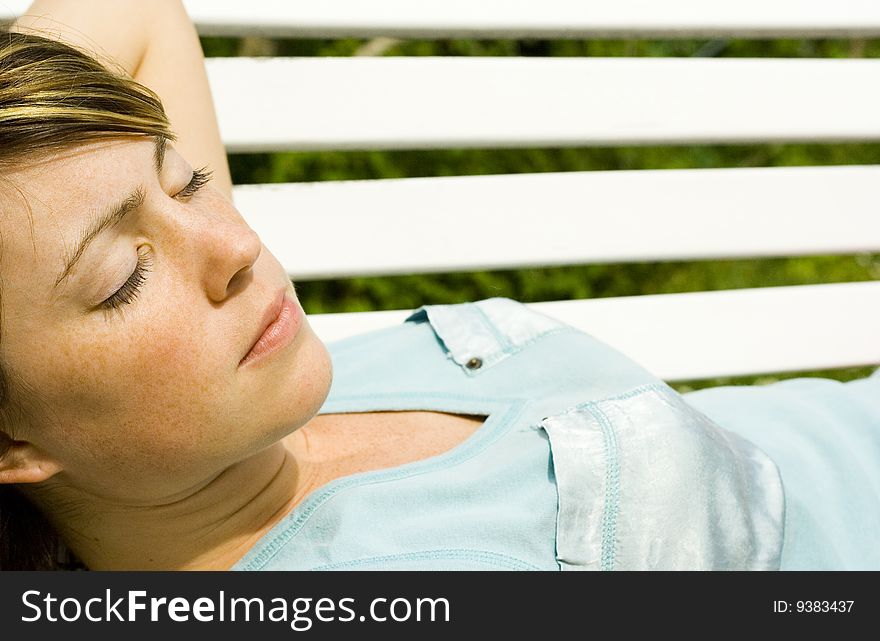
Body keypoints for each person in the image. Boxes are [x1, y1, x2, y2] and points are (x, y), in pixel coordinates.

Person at [1, 1, 878, 572]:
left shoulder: (247, 395)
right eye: (122, 278)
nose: (233, 238)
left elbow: (134, 12)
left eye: (188, 179)